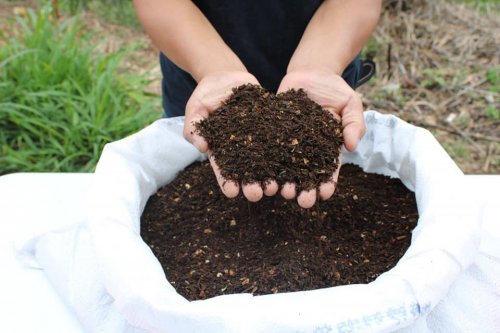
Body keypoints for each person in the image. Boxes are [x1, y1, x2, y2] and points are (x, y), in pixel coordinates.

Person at [133, 0, 382, 208]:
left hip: (326, 65)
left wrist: (320, 65)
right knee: (200, 172)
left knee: (315, 197)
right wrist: (214, 69)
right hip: (201, 74)